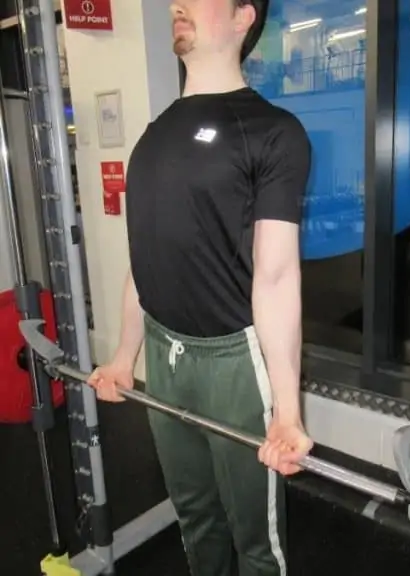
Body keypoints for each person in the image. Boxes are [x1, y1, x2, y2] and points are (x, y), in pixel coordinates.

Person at [86, 2, 312, 575]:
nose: (177, 5)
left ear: (243, 18)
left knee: (256, 541)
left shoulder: (273, 132)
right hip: (166, 355)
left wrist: (287, 411)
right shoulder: (156, 134)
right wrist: (123, 355)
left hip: (233, 363)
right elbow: (147, 258)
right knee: (195, 519)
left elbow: (277, 274)